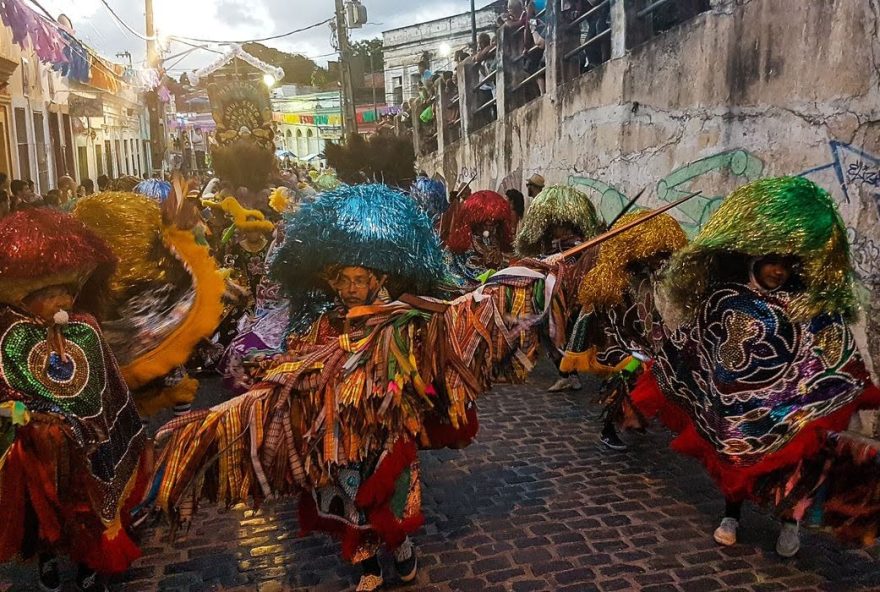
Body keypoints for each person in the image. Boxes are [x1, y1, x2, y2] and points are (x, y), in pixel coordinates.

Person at [636, 177, 880, 557]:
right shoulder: (724, 298)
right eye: (773, 262)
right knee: (732, 458)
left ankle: (789, 523)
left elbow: (833, 352)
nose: (779, 271)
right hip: (735, 407)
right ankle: (731, 515)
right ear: (755, 258)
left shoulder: (808, 306)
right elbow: (698, 341)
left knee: (794, 463)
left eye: (787, 264)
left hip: (787, 407)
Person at [0, 208, 149, 592]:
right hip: (36, 446)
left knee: (84, 505)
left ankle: (87, 557)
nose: (61, 300)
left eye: (65, 292)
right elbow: (5, 396)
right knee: (43, 509)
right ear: (28, 299)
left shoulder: (86, 328)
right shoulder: (11, 338)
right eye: (51, 294)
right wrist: (27, 420)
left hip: (89, 439)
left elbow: (106, 384)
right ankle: (47, 557)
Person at [561, 211, 687, 451]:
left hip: (643, 339)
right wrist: (625, 346)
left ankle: (634, 419)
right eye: (654, 254)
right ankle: (608, 430)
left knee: (642, 381)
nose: (659, 259)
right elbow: (606, 316)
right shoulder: (614, 280)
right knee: (621, 382)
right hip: (616, 340)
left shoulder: (650, 276)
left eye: (662, 254)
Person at [515, 185, 605, 393]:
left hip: (566, 297)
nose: (552, 228)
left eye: (555, 224)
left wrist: (555, 265)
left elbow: (573, 268)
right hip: (552, 297)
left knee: (556, 330)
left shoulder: (577, 245)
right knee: (547, 332)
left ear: (565, 224)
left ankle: (569, 374)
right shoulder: (556, 244)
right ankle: (567, 374)